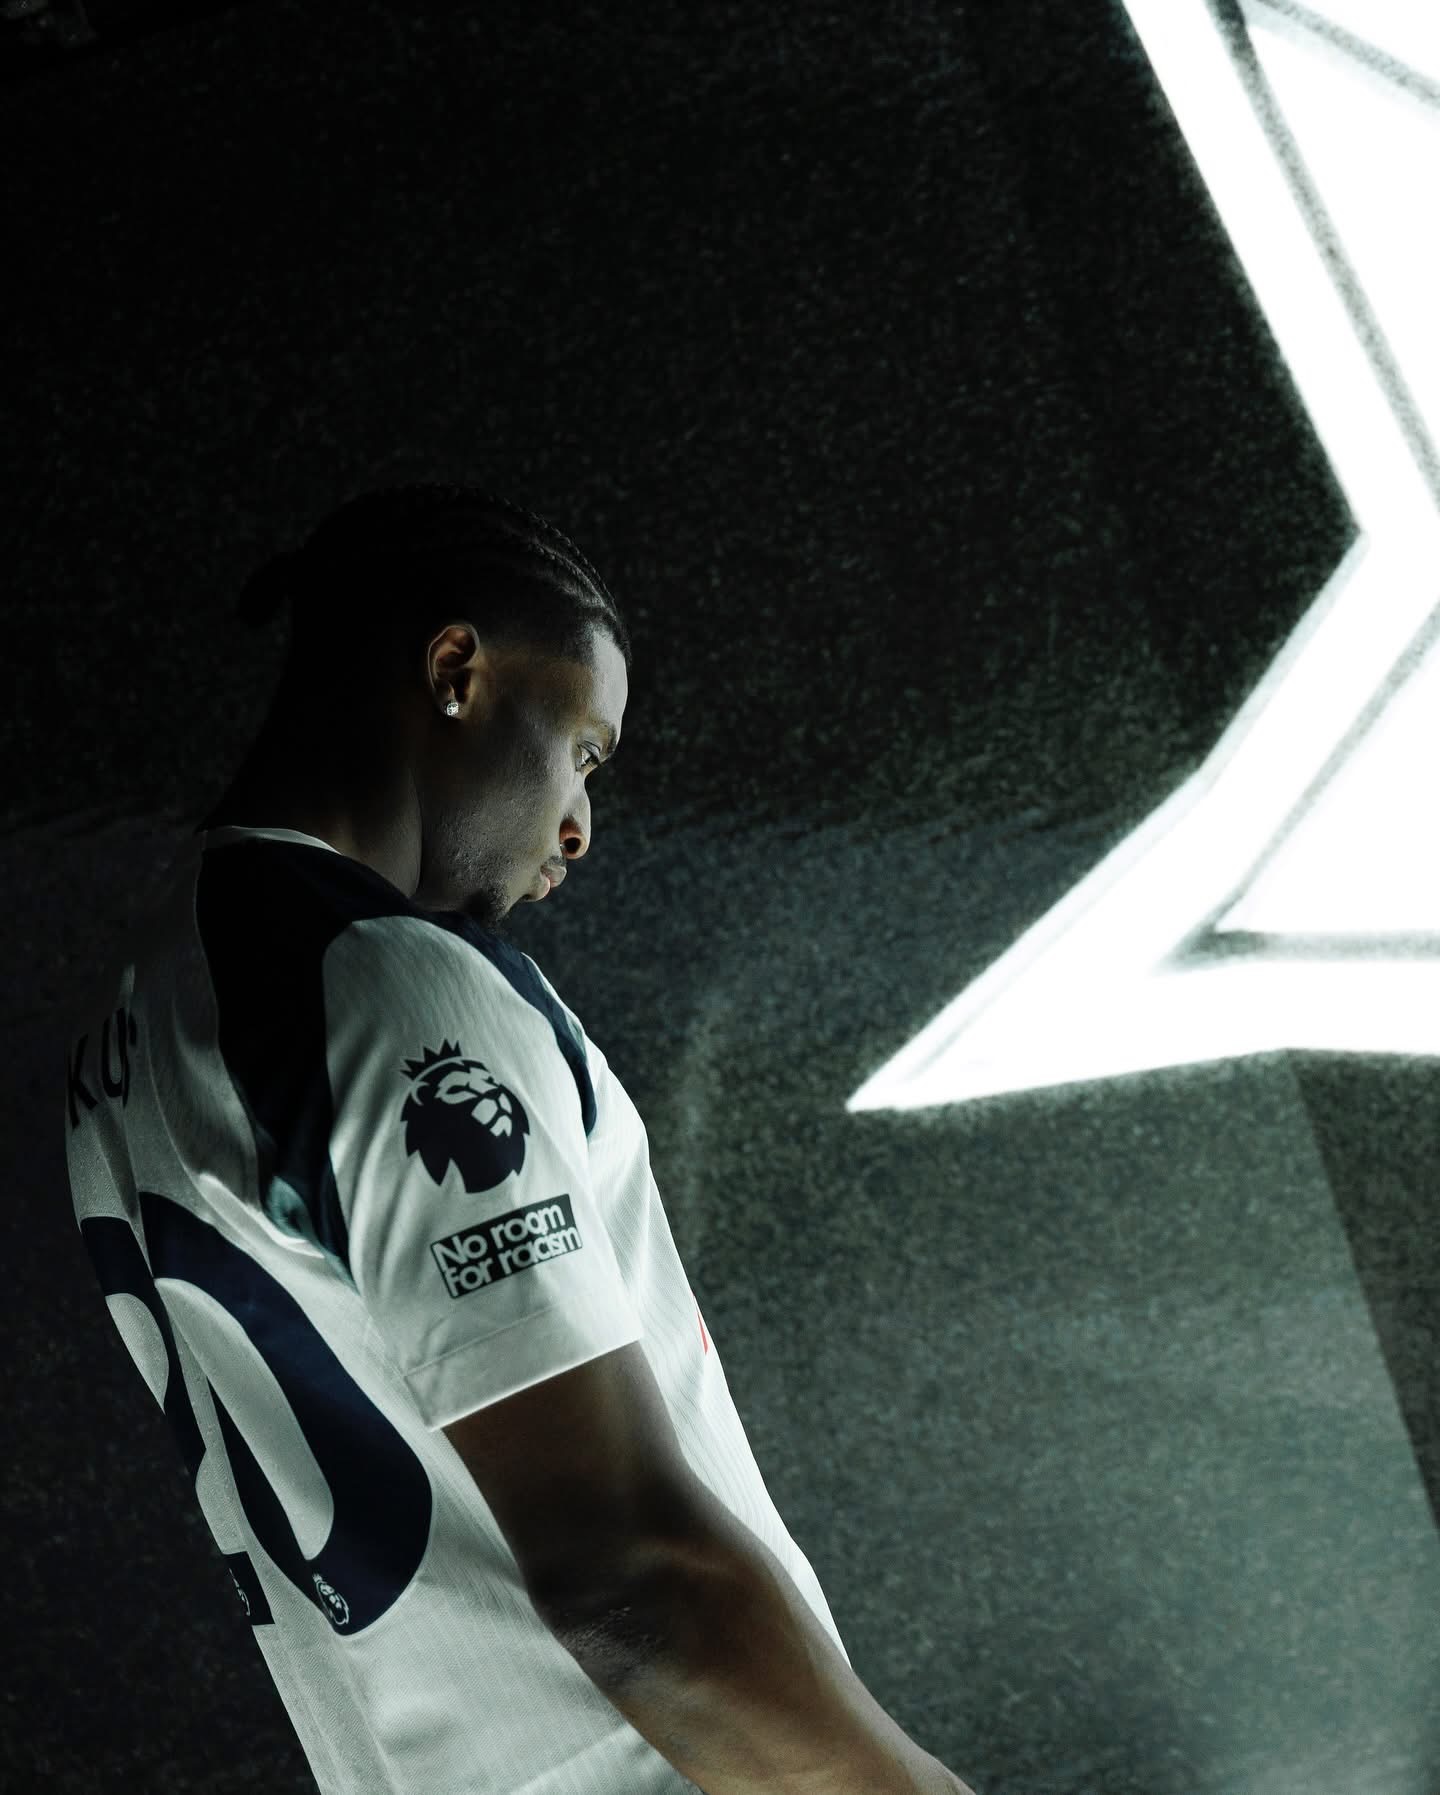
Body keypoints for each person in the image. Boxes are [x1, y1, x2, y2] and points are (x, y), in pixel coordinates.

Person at [62, 481, 974, 1795]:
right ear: (455, 671)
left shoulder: (140, 1015)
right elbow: (631, 1582)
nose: (580, 827)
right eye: (583, 750)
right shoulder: (383, 984)